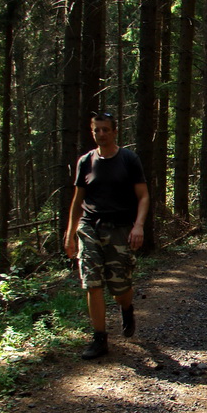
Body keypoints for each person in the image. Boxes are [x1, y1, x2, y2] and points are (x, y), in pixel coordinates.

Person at [64, 113, 150, 360]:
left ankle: (126, 307)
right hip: (89, 227)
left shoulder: (128, 159)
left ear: (114, 132)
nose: (101, 134)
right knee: (92, 284)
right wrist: (70, 234)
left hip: (120, 229)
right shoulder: (85, 162)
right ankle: (99, 338)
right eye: (96, 130)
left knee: (120, 288)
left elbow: (143, 196)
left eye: (105, 130)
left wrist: (139, 226)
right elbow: (77, 201)